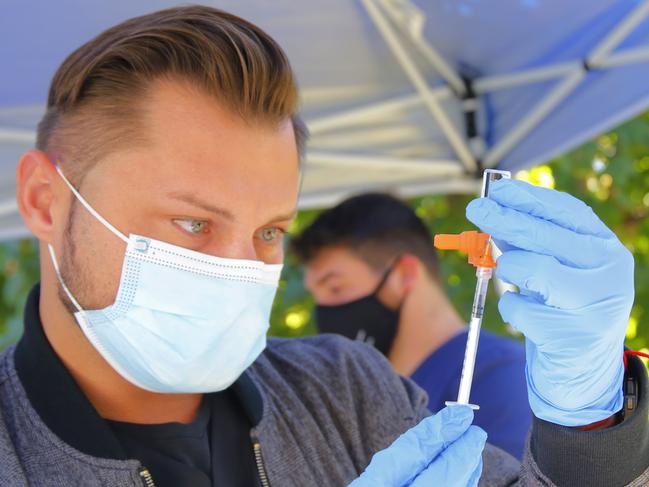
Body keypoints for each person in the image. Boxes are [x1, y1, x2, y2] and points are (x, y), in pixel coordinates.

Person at [1, 5, 648, 487]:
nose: (238, 268)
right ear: (45, 201)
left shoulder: (343, 390)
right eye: (193, 223)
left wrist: (588, 419)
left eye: (268, 231)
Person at [290, 192, 532, 459]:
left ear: (404, 274)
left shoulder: (499, 377)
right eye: (316, 297)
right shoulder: (367, 396)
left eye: (336, 288)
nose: (323, 311)